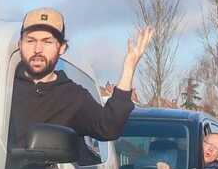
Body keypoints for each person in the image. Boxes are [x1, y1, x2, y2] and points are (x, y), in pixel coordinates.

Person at [9, 8, 152, 149]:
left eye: (47, 42)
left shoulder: (73, 97)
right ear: (19, 45)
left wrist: (129, 67)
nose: (38, 49)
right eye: (30, 40)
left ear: (62, 48)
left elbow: (108, 127)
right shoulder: (0, 86)